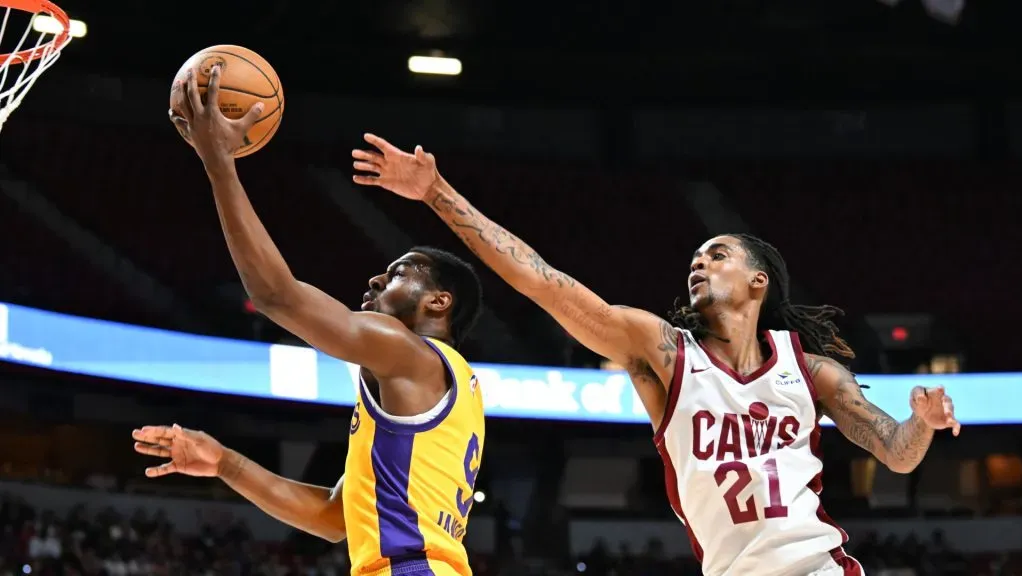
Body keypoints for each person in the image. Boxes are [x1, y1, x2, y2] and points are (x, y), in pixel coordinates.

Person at [351, 134, 961, 576]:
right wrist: (435, 192)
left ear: (759, 283)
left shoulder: (810, 370)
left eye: (718, 254)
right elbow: (543, 281)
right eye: (696, 255)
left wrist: (922, 424)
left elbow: (896, 452)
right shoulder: (664, 355)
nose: (699, 261)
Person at [133, 67, 486, 576]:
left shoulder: (410, 352)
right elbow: (333, 517)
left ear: (438, 303)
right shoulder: (439, 388)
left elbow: (277, 296)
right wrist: (226, 463)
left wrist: (220, 164)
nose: (375, 280)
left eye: (400, 273)